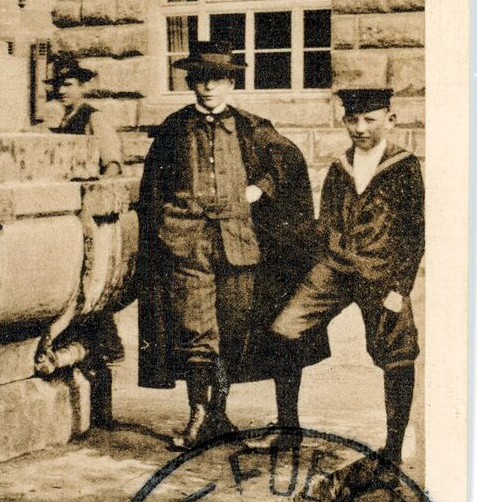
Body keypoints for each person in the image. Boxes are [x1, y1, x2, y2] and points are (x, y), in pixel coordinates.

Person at [136, 38, 324, 449]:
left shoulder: (253, 128)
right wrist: (168, 221)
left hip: (239, 244)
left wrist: (261, 188)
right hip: (188, 244)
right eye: (200, 78)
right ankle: (199, 416)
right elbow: (153, 187)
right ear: (190, 82)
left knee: (234, 329)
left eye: (217, 79)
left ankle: (219, 412)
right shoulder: (173, 128)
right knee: (197, 328)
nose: (208, 87)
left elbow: (289, 164)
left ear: (231, 84)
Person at [271, 86, 424, 470]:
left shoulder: (403, 165)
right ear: (344, 121)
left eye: (370, 119)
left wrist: (400, 287)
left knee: (398, 353)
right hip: (337, 269)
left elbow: (414, 232)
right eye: (353, 120)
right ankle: (289, 429)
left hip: (382, 274)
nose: (361, 128)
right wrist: (317, 269)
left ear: (390, 120)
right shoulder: (340, 166)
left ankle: (392, 450)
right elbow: (325, 223)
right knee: (285, 329)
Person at [36, 53, 125, 382]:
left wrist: (96, 198)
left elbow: (112, 163)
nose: (62, 91)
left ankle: (107, 351)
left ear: (83, 87)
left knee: (89, 286)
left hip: (88, 213)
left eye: (69, 84)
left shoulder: (93, 119)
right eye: (58, 86)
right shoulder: (59, 120)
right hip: (68, 211)